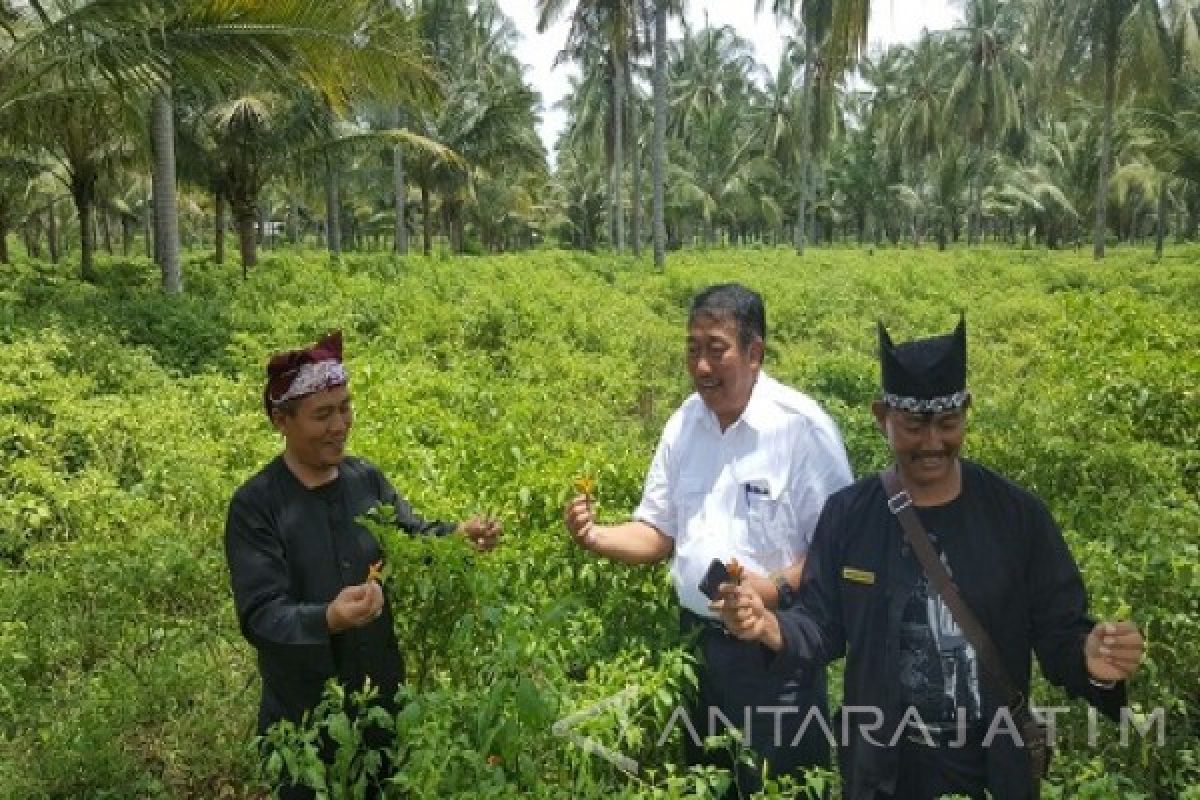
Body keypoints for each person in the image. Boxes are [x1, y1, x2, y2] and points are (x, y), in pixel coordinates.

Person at [715, 317, 1146, 800]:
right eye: (913, 426)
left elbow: (1058, 630)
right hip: (882, 766)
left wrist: (1091, 658)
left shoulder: (1015, 516)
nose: (932, 443)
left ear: (966, 412)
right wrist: (768, 626)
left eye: (947, 424)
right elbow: (821, 623)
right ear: (882, 416)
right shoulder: (850, 515)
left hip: (989, 767)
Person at [564, 284, 853, 796]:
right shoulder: (684, 424)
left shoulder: (802, 430)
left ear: (755, 352)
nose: (701, 366)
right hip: (695, 649)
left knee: (777, 784)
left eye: (716, 349)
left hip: (774, 649)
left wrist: (771, 592)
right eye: (692, 350)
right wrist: (595, 536)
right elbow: (658, 532)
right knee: (705, 781)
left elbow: (842, 553)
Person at [224, 330, 500, 799]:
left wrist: (455, 538)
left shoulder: (365, 480)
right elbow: (261, 614)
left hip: (379, 704)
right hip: (303, 718)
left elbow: (410, 537)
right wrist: (326, 618)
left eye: (345, 408)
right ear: (281, 421)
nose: (340, 425)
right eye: (323, 414)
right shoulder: (257, 506)